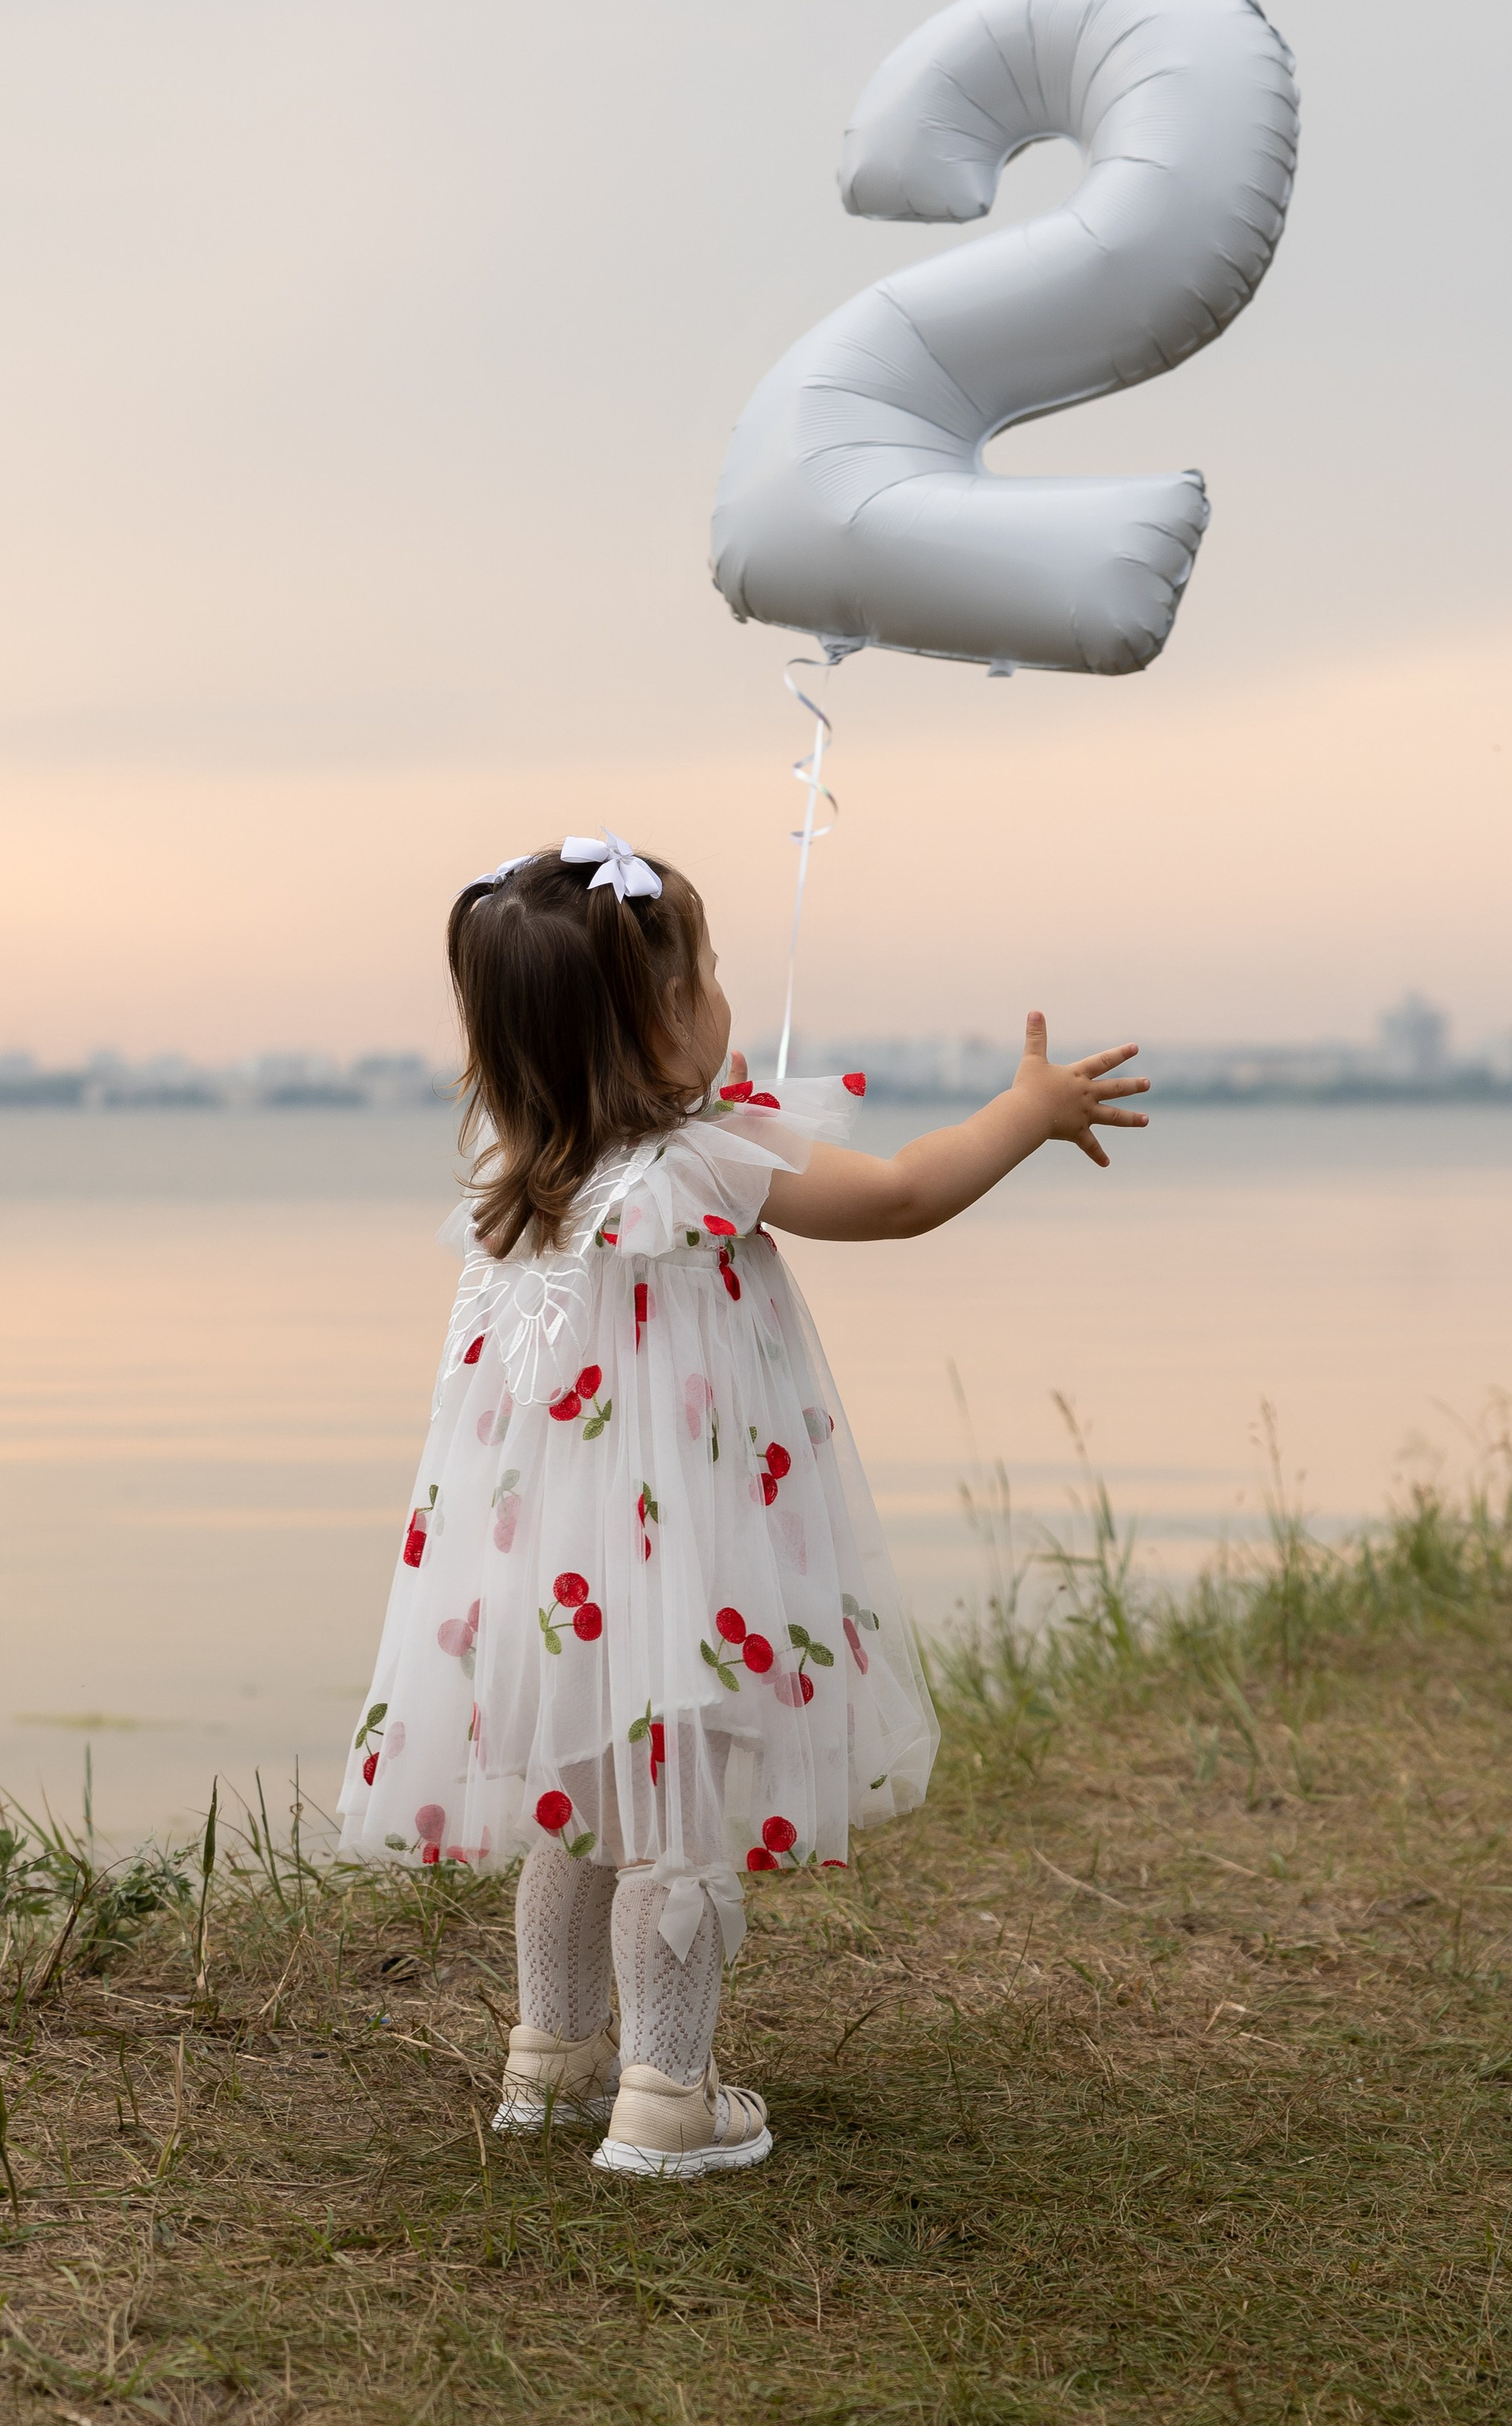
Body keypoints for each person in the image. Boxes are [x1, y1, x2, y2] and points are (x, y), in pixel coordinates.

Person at [339, 831, 1148, 2179]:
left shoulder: (527, 1170)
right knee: (683, 1799)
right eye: (703, 972)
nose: (722, 990)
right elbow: (897, 1197)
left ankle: (552, 2055)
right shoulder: (710, 1158)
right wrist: (1030, 1112)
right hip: (687, 1536)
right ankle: (668, 2089)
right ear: (661, 1024)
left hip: (560, 1560)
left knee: (582, 1793)